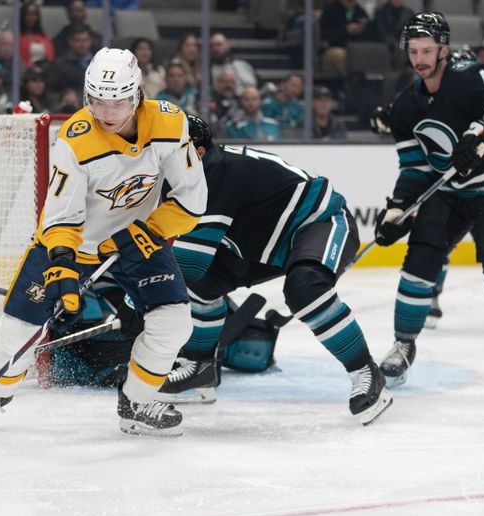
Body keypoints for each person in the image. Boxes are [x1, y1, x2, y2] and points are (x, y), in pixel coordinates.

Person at [0, 47, 207, 436]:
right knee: (21, 322)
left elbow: (192, 201)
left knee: (174, 321)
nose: (107, 113)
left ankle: (137, 399)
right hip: (74, 242)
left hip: (138, 241)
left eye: (118, 102)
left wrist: (148, 230)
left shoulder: (170, 124)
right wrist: (63, 267)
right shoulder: (76, 140)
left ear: (136, 95)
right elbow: (59, 218)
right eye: (98, 101)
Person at [165, 114, 392, 425]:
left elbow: (188, 264)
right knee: (201, 286)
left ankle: (367, 372)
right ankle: (200, 368)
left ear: (198, 153)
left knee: (305, 289)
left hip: (318, 221)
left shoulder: (213, 174)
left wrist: (139, 295)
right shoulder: (190, 173)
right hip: (259, 244)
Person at [373, 12, 484, 388]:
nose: (420, 59)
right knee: (419, 263)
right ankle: (403, 345)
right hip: (448, 194)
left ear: (443, 49)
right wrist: (399, 207)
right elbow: (415, 168)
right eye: (414, 51)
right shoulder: (404, 107)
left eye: (427, 50)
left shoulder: (471, 78)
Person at [19, 1, 55, 68]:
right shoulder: (17, 38)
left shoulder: (45, 38)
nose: (32, 18)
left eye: (35, 14)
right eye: (28, 14)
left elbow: (51, 58)